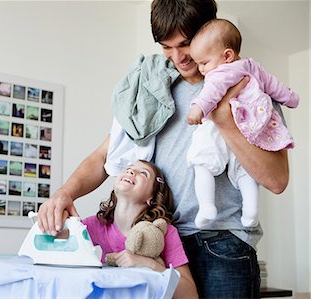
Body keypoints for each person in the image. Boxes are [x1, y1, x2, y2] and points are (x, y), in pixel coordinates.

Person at [37, 0, 290, 298]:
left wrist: (224, 120)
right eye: (166, 47)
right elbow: (103, 156)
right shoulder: (154, 91)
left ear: (207, 31)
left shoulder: (248, 88)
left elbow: (277, 180)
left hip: (222, 244)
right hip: (159, 240)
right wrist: (64, 194)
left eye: (185, 44)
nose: (178, 58)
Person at [186, 19, 299, 229]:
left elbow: (210, 94)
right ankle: (251, 213)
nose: (200, 69)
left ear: (227, 55)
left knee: (202, 158)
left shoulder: (218, 74)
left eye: (204, 62)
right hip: (253, 124)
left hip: (226, 122)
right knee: (245, 172)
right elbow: (273, 85)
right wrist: (290, 98)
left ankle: (207, 205)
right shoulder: (252, 66)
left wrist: (197, 110)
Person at [82, 159, 198, 299]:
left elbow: (190, 294)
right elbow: (60, 238)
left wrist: (148, 264)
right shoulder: (99, 224)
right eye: (128, 168)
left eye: (143, 173)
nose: (131, 171)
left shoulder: (164, 231)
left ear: (152, 197)